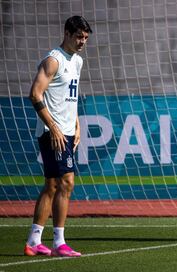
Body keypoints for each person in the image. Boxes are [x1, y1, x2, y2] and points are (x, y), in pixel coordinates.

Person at [25, 15, 92, 257]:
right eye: (78, 37)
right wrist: (53, 127)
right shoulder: (53, 60)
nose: (82, 41)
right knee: (66, 182)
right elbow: (35, 94)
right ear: (66, 33)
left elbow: (69, 95)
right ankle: (59, 242)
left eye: (85, 37)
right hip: (52, 132)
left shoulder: (77, 61)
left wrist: (76, 124)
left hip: (65, 131)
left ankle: (34, 240)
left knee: (53, 185)